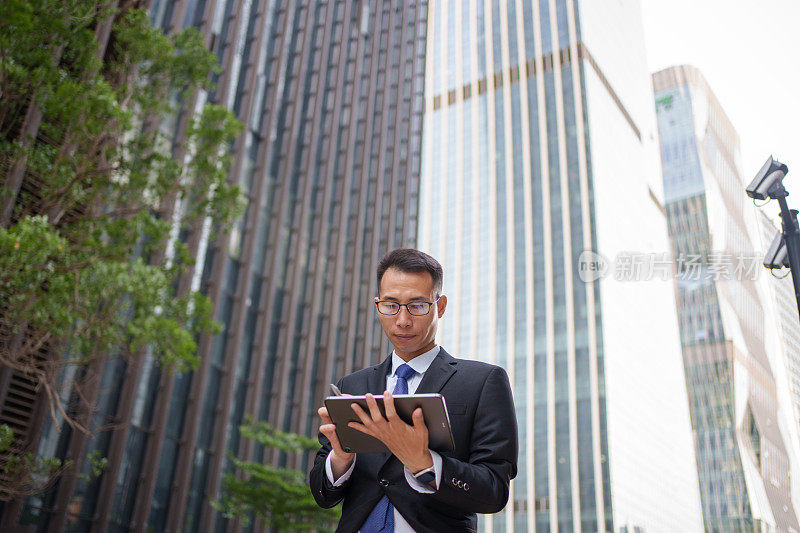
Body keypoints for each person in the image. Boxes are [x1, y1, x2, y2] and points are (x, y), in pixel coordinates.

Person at [309, 248, 518, 532]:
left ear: (440, 306)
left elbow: (494, 491)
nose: (403, 320)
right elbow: (323, 495)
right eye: (391, 305)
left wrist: (423, 462)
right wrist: (341, 458)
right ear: (378, 305)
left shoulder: (483, 382)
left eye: (417, 306)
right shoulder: (352, 386)